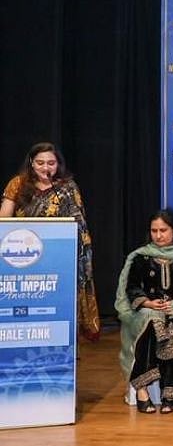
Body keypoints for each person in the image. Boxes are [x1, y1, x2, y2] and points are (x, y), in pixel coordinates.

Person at [1, 142, 101, 341]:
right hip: (23, 256)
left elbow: (79, 224)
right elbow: (4, 220)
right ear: (31, 162)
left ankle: (64, 342)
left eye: (51, 163)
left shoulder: (67, 188)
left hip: (58, 256)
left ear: (58, 164)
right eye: (40, 163)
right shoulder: (17, 184)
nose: (46, 168)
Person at [114, 209, 173, 414]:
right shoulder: (141, 256)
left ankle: (171, 394)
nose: (158, 235)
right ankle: (142, 389)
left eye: (163, 230)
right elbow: (132, 287)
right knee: (151, 323)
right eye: (154, 231)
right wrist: (148, 303)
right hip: (148, 308)